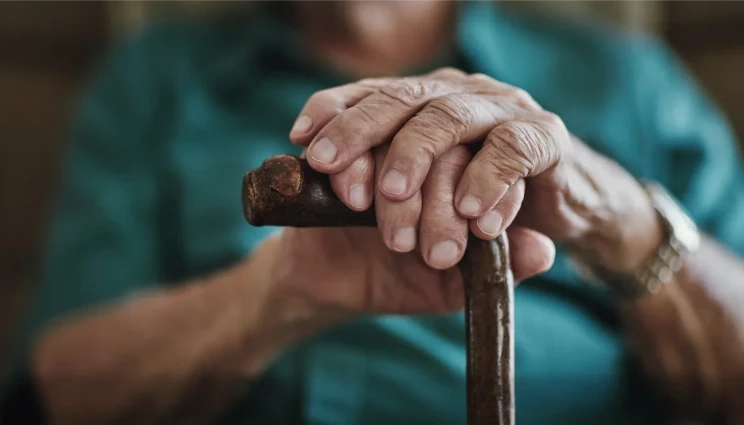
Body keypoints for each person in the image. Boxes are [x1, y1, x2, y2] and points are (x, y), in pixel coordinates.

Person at [2, 0, 744, 424]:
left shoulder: (627, 79)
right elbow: (63, 389)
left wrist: (618, 218)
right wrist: (269, 299)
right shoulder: (155, 78)